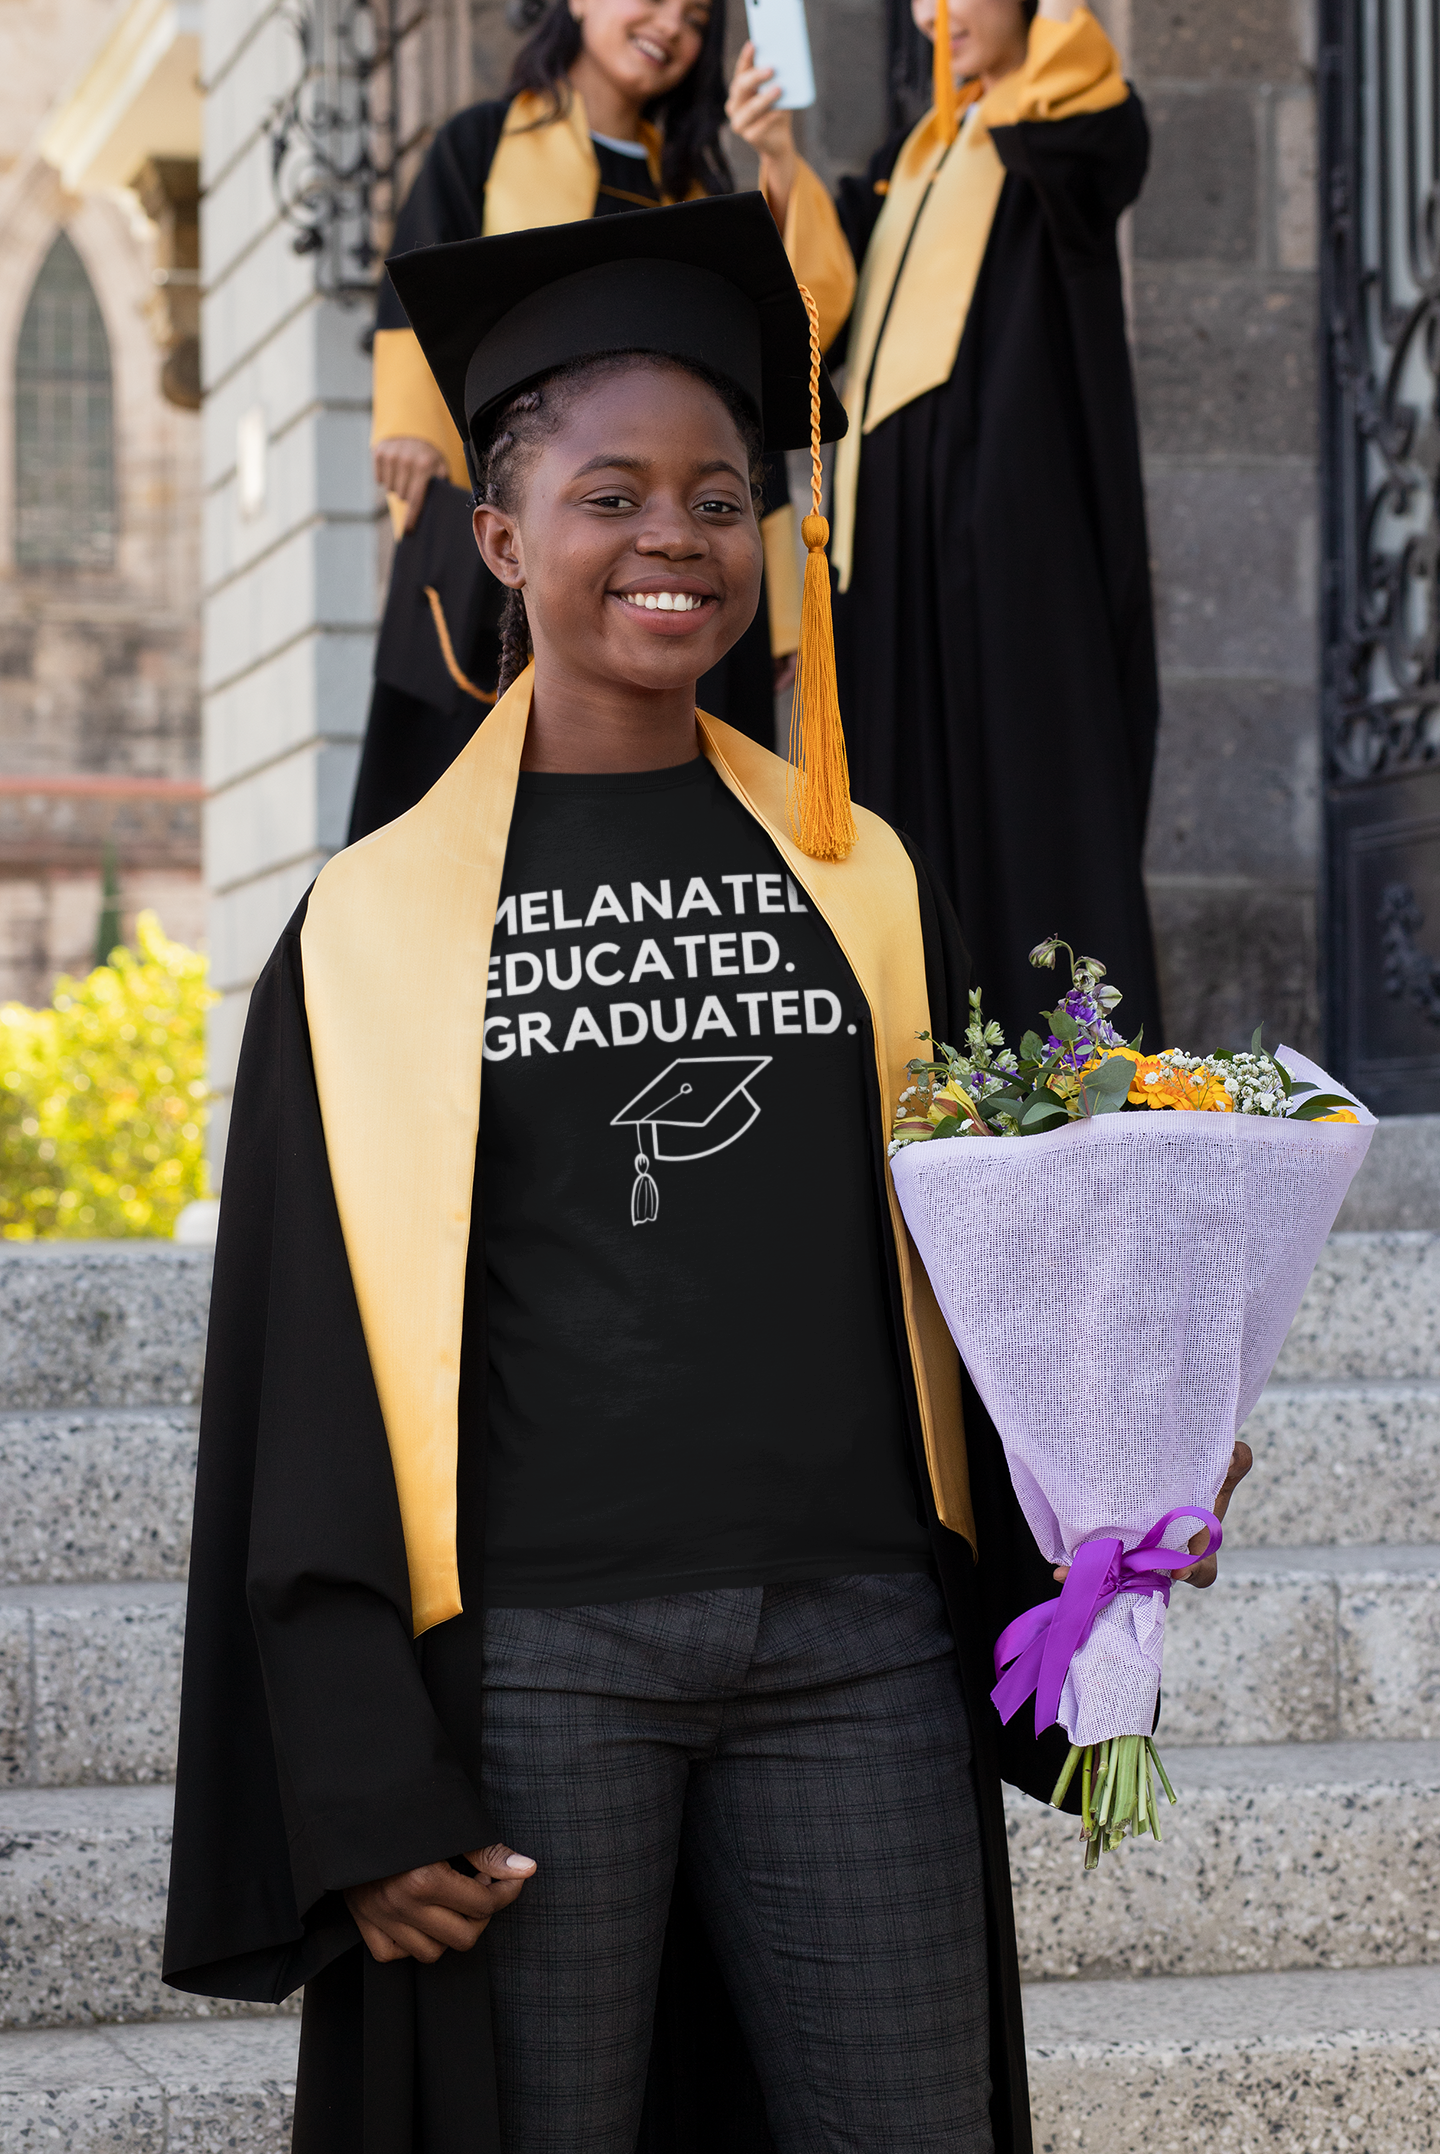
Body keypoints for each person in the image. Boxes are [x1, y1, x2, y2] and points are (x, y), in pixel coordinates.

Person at [162, 196, 1246, 2153]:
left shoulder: (864, 870)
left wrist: (1131, 1455)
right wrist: (358, 1782)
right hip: (540, 1671)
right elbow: (305, 1386)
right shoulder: (379, 923)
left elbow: (970, 1262)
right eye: (610, 494)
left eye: (719, 493)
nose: (673, 536)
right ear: (500, 540)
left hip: (856, 1645)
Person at [727, 0, 1164, 1049]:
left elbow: (1097, 118)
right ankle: (928, 1092)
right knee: (908, 831)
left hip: (1011, 547)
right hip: (888, 554)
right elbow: (819, 319)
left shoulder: (1057, 133)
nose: (932, 12)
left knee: (1029, 798)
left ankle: (1074, 1086)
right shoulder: (907, 159)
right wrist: (778, 153)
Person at [349, 0, 848, 841]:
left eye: (695, 19)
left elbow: (781, 355)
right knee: (459, 786)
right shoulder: (481, 143)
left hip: (668, 529)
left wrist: (776, 158)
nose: (671, 27)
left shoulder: (698, 186)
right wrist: (404, 428)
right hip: (514, 510)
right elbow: (415, 300)